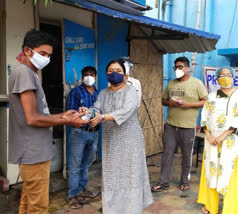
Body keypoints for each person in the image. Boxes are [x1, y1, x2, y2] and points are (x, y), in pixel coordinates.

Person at [8, 29, 88, 214]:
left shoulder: (29, 74)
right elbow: (32, 118)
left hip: (33, 150)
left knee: (28, 203)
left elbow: (37, 113)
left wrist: (63, 116)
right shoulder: (25, 73)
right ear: (27, 51)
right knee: (39, 207)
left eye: (49, 55)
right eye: (42, 53)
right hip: (33, 151)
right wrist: (66, 122)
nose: (46, 59)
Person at [83, 59, 153, 214]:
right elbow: (96, 108)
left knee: (131, 174)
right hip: (111, 141)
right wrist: (89, 112)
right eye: (110, 70)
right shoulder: (103, 93)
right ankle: (113, 209)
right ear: (106, 74)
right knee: (112, 175)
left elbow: (126, 110)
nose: (114, 73)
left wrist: (102, 117)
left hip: (130, 140)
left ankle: (132, 209)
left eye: (118, 71)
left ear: (125, 76)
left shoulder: (131, 91)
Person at [152, 56, 208, 192]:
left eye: (180, 67)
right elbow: (163, 100)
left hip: (188, 126)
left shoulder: (197, 83)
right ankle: (163, 182)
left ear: (187, 68)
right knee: (167, 153)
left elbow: (206, 101)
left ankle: (184, 181)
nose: (178, 69)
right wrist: (169, 103)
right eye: (175, 67)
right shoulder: (171, 84)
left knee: (186, 155)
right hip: (171, 125)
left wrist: (188, 105)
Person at [197, 67, 238, 214]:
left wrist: (222, 136)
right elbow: (205, 115)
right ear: (217, 79)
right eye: (222, 75)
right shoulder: (212, 96)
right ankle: (210, 205)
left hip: (230, 139)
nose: (225, 77)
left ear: (233, 77)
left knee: (228, 171)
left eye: (228, 75)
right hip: (211, 139)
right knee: (211, 170)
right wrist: (208, 134)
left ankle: (230, 209)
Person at [66, 66, 99, 209]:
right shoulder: (76, 92)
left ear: (95, 77)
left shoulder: (99, 93)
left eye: (91, 74)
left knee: (86, 164)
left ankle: (82, 189)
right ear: (82, 77)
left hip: (94, 132)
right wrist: (78, 116)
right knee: (75, 165)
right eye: (86, 75)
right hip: (79, 133)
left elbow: (101, 112)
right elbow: (69, 113)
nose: (89, 77)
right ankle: (72, 195)